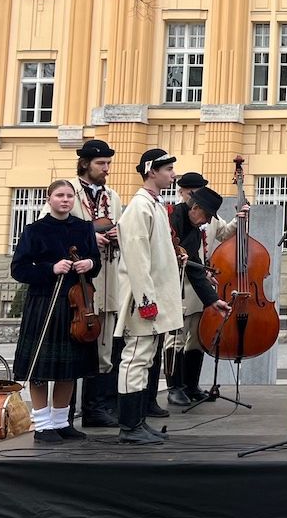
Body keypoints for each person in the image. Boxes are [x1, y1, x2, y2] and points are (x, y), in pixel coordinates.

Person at [10, 180, 102, 443]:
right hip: (44, 303)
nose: (65, 200)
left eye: (69, 196)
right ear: (49, 199)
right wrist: (50, 269)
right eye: (60, 195)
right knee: (39, 369)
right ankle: (42, 425)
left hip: (77, 304)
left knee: (69, 368)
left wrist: (89, 262)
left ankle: (62, 422)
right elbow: (19, 269)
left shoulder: (84, 228)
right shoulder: (34, 230)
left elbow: (95, 265)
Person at [113, 148, 183, 445]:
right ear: (152, 171)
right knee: (135, 357)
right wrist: (146, 300)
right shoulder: (139, 207)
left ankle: (138, 421)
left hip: (154, 294)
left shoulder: (153, 205)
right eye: (168, 169)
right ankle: (129, 425)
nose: (173, 174)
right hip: (143, 297)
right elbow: (137, 258)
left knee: (145, 358)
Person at [165, 174, 240, 406]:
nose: (207, 220)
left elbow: (197, 256)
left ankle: (190, 385)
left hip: (198, 283)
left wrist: (211, 296)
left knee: (196, 338)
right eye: (190, 192)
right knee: (175, 338)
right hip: (177, 286)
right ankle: (174, 386)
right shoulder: (172, 218)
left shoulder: (199, 223)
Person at [71, 139, 124, 428]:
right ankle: (65, 413)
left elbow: (118, 225)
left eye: (108, 164)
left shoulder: (111, 196)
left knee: (104, 344)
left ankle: (96, 408)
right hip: (79, 283)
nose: (106, 169)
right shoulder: (67, 191)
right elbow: (56, 229)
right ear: (85, 164)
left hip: (107, 279)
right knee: (76, 343)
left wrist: (116, 234)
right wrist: (90, 238)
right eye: (100, 164)